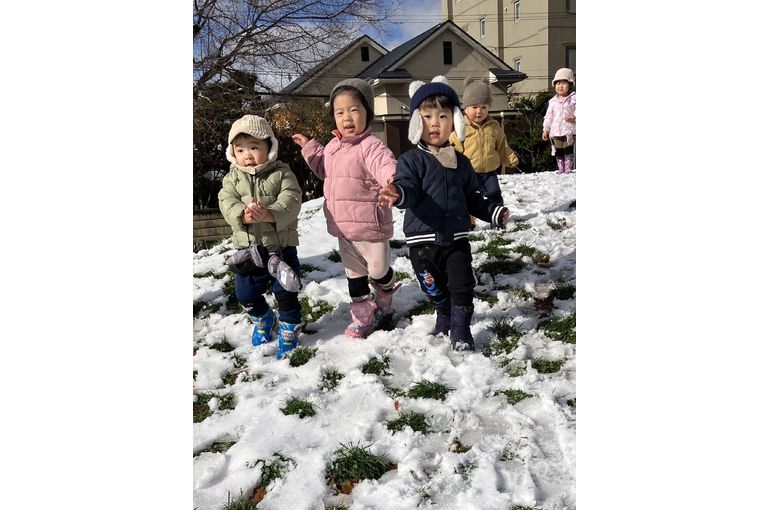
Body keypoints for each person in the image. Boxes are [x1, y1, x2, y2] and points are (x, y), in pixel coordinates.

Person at [378, 76, 510, 351]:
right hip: (422, 242)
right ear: (416, 122)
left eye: (442, 116)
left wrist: (494, 211)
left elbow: (473, 197)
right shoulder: (411, 160)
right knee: (432, 287)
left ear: (455, 121)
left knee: (462, 286)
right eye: (426, 117)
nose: (435, 123)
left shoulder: (461, 162)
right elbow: (408, 188)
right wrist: (398, 194)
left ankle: (461, 329)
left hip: (457, 238)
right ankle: (443, 310)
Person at [292, 79, 399, 338]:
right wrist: (310, 147)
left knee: (377, 271)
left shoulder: (370, 146)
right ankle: (361, 318)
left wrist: (393, 182)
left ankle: (386, 285)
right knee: (355, 276)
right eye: (339, 112)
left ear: (367, 113)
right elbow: (323, 170)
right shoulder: (332, 147)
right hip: (343, 227)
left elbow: (385, 165)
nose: (346, 117)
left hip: (370, 226)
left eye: (354, 110)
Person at [218, 115, 303, 359]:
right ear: (232, 151)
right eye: (240, 148)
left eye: (254, 147)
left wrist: (270, 213)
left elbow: (292, 200)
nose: (247, 154)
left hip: (280, 248)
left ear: (270, 147)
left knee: (286, 292)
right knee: (245, 293)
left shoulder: (282, 174)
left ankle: (289, 327)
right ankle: (264, 318)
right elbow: (226, 201)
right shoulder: (232, 178)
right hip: (249, 250)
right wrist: (241, 215)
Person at [450, 77, 519, 228]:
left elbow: (502, 145)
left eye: (483, 107)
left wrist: (509, 157)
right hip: (469, 173)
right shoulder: (461, 128)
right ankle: (468, 222)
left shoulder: (494, 127)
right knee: (468, 198)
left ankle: (498, 218)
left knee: (495, 195)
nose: (479, 111)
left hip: (489, 172)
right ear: (465, 108)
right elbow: (454, 147)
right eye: (474, 107)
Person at [542, 68, 577, 174]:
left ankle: (568, 168)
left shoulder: (574, 98)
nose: (560, 86)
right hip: (556, 131)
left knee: (567, 148)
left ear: (570, 84)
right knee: (559, 149)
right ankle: (560, 168)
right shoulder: (552, 101)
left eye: (564, 83)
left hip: (569, 129)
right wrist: (546, 130)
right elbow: (548, 117)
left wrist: (574, 118)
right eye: (558, 83)